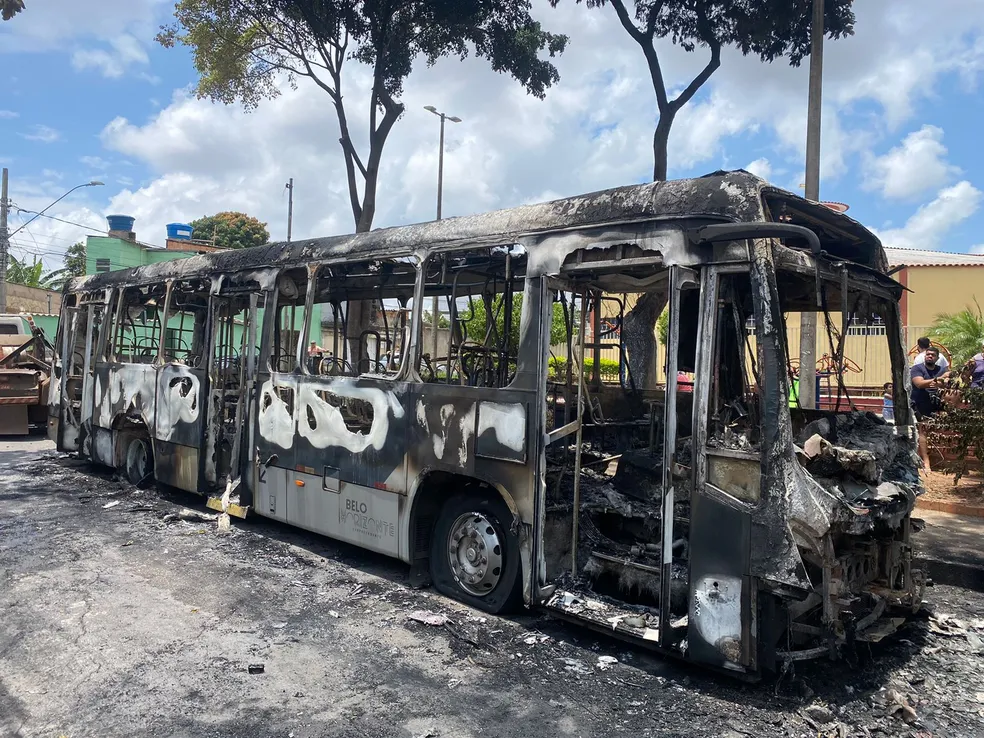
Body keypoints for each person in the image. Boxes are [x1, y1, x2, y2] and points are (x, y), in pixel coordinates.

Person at [910, 347, 949, 469]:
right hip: (920, 403)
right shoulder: (917, 368)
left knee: (937, 429)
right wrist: (938, 380)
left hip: (937, 402)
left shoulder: (941, 369)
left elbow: (946, 383)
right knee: (923, 430)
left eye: (933, 355)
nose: (930, 356)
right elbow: (919, 383)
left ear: (937, 358)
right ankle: (926, 461)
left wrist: (940, 381)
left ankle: (926, 457)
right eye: (928, 354)